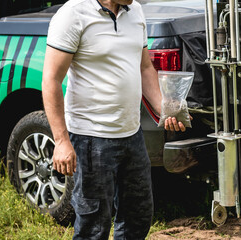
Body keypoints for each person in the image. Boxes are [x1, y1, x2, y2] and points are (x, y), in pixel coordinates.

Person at [42, 0, 187, 239]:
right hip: (91, 138)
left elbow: (144, 68)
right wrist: (61, 140)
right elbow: (51, 80)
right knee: (94, 226)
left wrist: (164, 108)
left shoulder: (136, 11)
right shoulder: (72, 14)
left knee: (138, 216)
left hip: (132, 134)